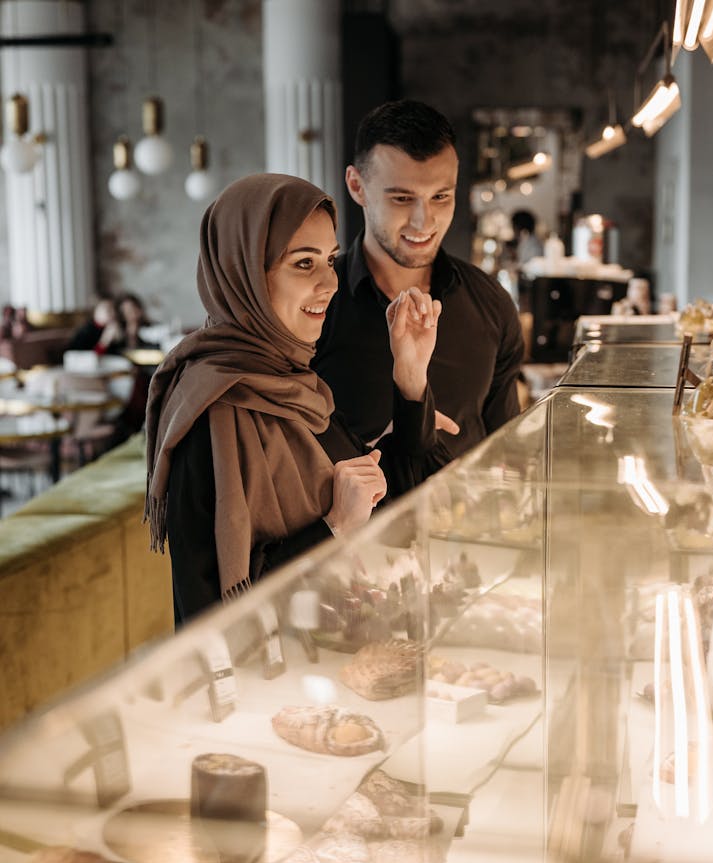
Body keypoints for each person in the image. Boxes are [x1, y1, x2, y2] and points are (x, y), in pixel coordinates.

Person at [145, 172, 451, 625]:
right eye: (304, 264)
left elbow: (391, 508)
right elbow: (208, 620)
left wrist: (410, 376)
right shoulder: (210, 413)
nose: (330, 283)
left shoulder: (299, 385)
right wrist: (333, 529)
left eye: (330, 259)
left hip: (332, 668)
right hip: (265, 686)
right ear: (244, 271)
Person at [313, 99, 525, 458]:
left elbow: (506, 450)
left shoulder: (492, 304)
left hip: (467, 513)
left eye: (441, 196)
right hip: (356, 515)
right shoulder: (315, 304)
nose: (423, 222)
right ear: (356, 186)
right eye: (402, 198)